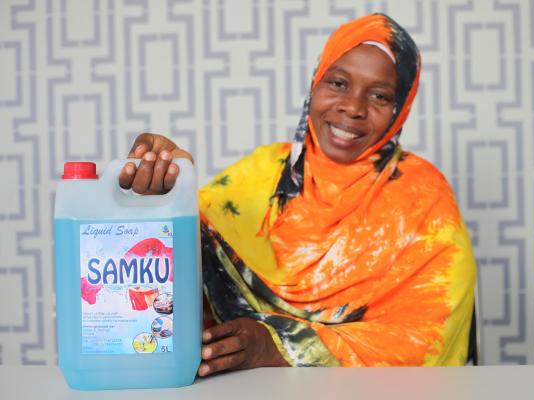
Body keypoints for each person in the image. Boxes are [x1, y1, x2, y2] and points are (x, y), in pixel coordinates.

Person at [119, 13, 476, 376]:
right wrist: (169, 190)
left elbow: (427, 333)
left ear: (401, 109)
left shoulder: (423, 198)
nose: (352, 107)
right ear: (315, 84)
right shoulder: (262, 174)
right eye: (337, 83)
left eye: (379, 95)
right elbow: (184, 249)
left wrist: (278, 344)